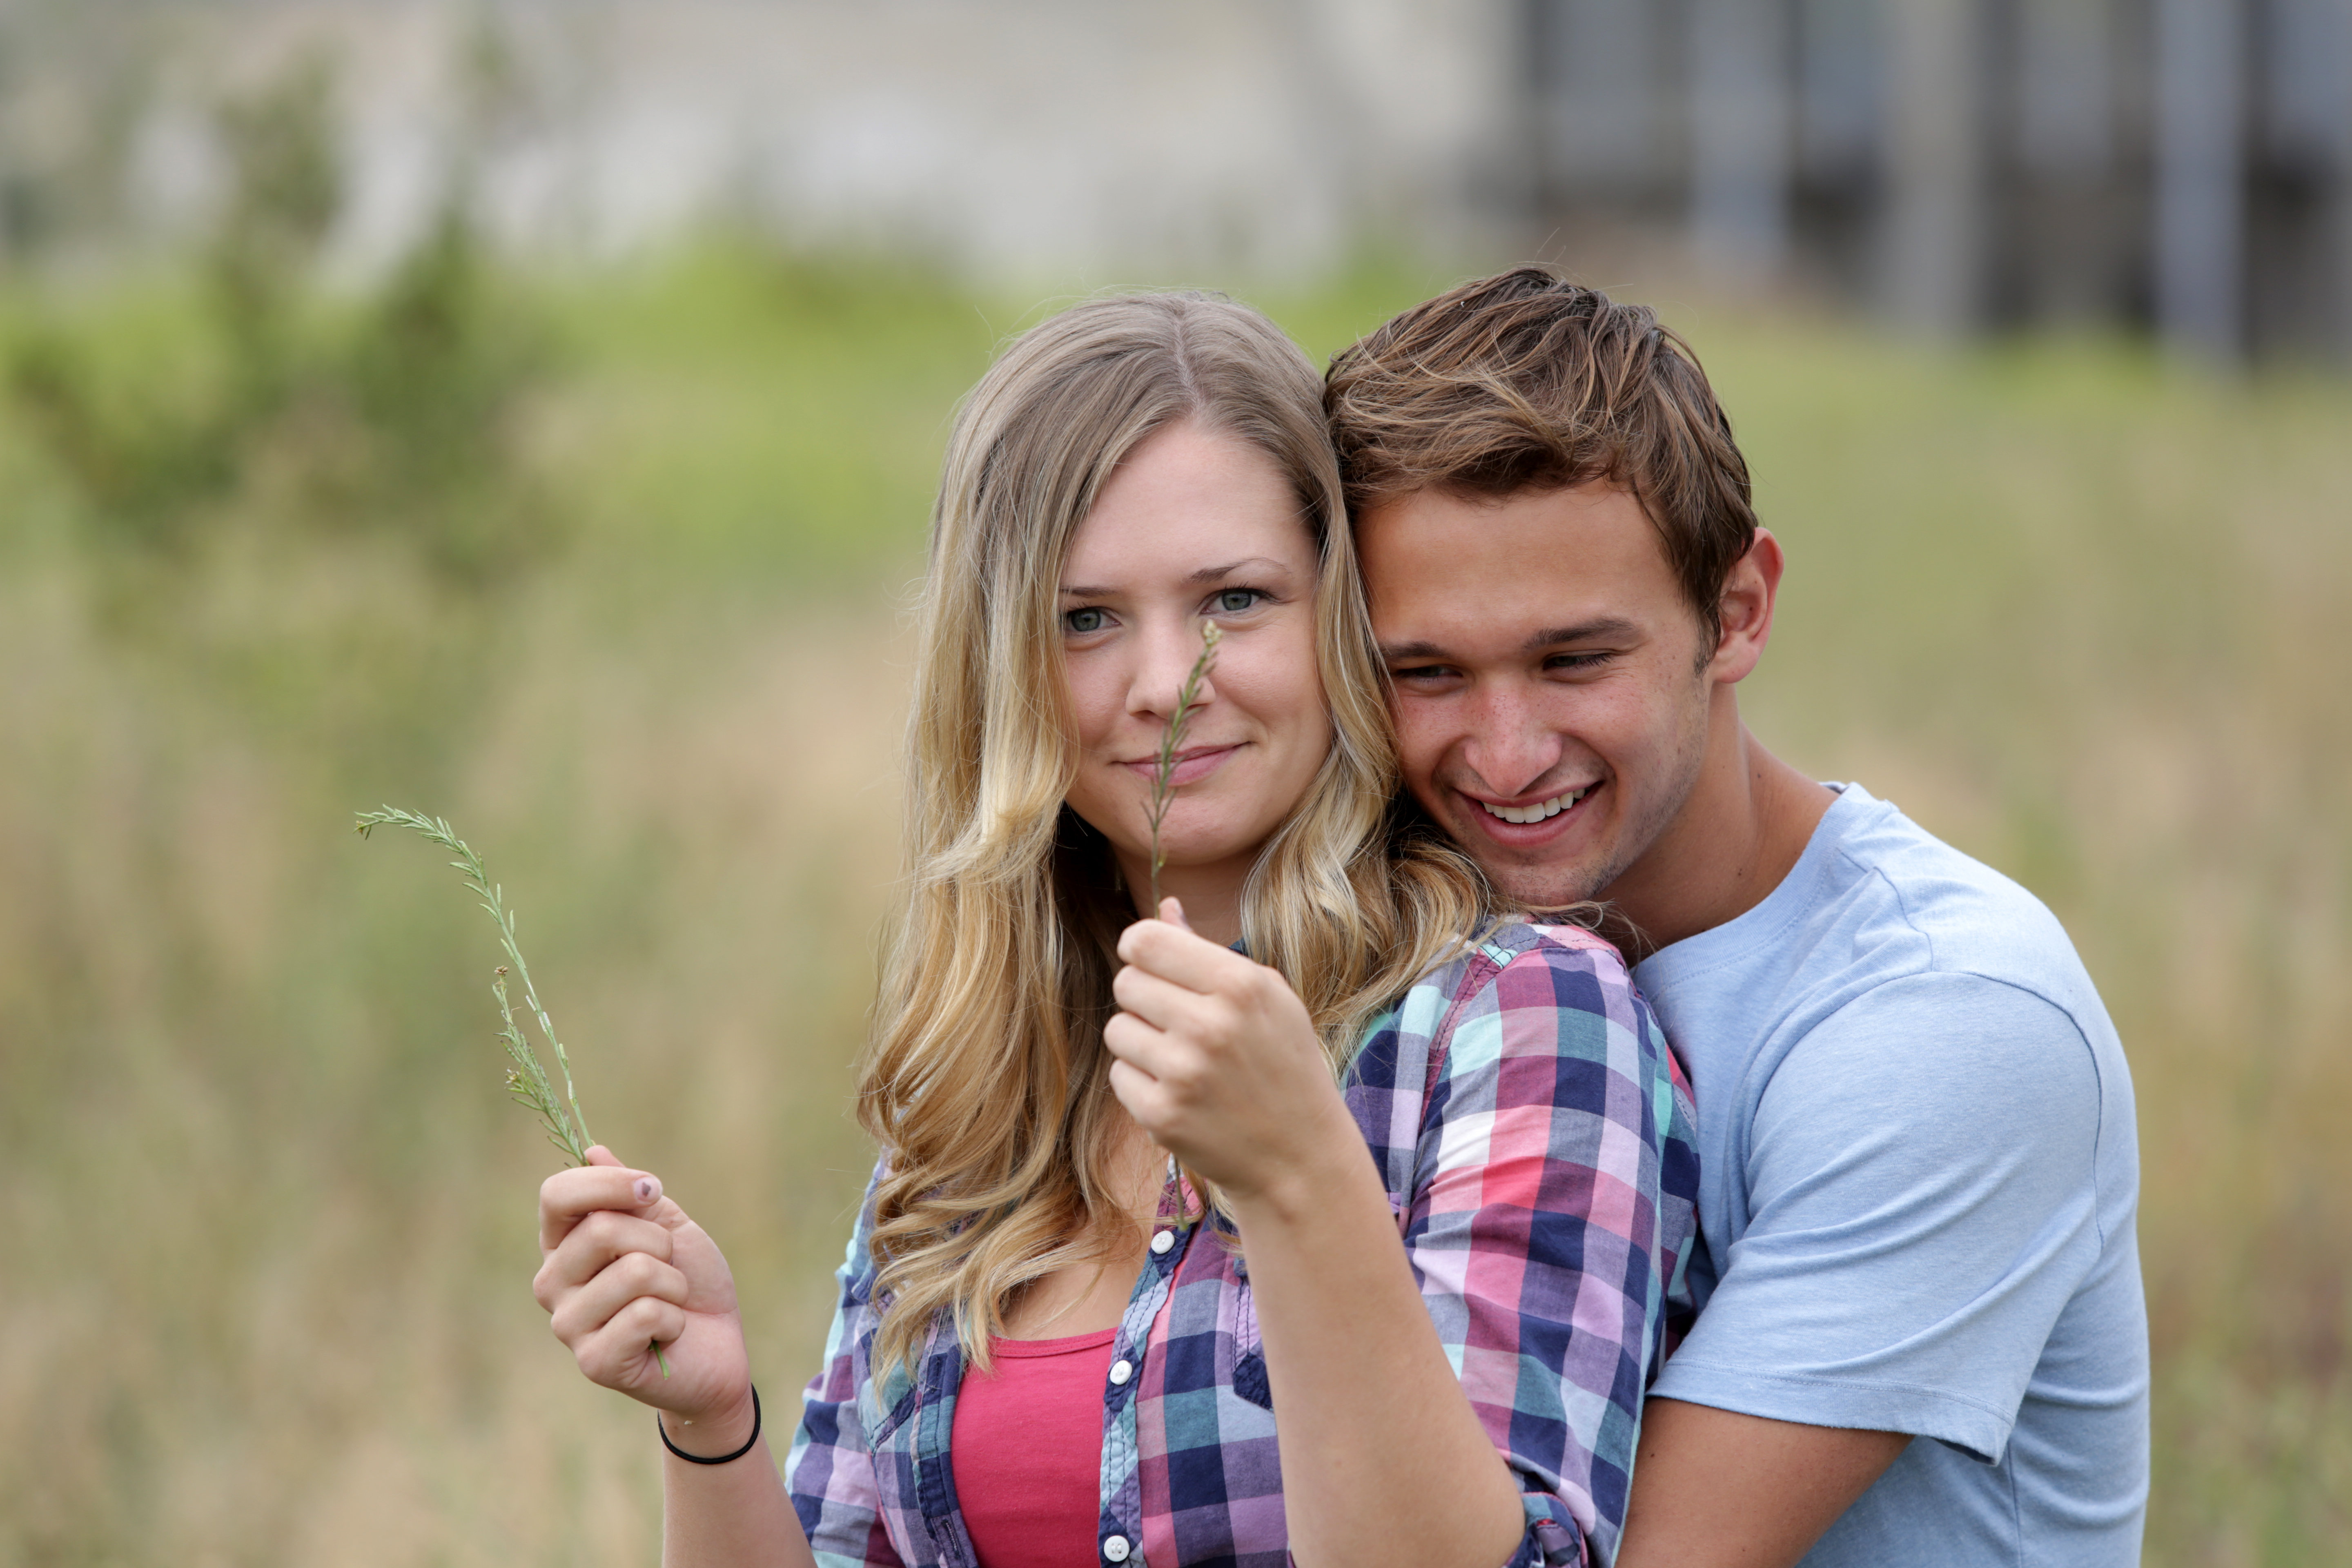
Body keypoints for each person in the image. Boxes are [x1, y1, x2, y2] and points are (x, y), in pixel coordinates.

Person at [531, 292, 1702, 1568]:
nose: (1162, 684)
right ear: (1005, 669)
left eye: (1236, 601)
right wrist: (710, 1423)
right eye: (1084, 619)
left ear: (1343, 618)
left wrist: (1302, 1177)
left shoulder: (1515, 1024)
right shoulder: (977, 1110)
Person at [1323, 267, 2147, 1568]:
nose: (1504, 751)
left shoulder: (1950, 1018)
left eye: (1574, 659)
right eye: (1424, 673)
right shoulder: (1396, 943)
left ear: (1738, 610)